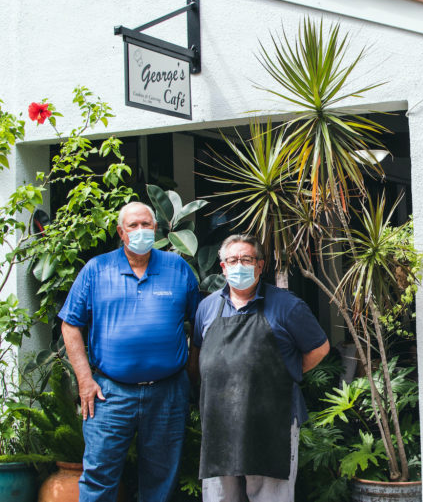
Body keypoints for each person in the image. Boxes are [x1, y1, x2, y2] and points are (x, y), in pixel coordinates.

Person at [59, 201, 200, 502]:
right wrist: (85, 380)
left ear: (156, 228)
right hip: (109, 393)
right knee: (99, 476)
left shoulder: (178, 269)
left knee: (161, 480)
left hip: (167, 394)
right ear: (121, 232)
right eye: (132, 226)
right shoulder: (96, 270)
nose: (140, 231)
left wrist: (191, 377)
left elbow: (199, 324)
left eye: (145, 225)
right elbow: (70, 325)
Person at [192, 234, 330, 502]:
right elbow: (197, 355)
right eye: (233, 260)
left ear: (260, 265)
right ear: (222, 267)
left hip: (273, 423)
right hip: (219, 424)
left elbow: (320, 348)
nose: (239, 265)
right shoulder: (207, 308)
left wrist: (285, 371)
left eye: (246, 259)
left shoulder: (288, 306)